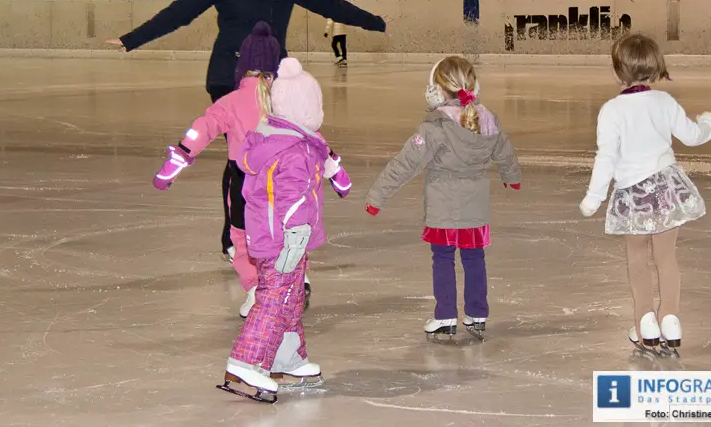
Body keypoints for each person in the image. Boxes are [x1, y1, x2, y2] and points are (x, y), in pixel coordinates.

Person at [106, 0, 386, 260]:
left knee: (275, 156)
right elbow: (181, 12)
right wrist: (132, 40)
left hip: (274, 84)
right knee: (242, 158)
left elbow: (329, 4)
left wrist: (375, 22)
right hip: (229, 79)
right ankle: (235, 233)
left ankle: (270, 225)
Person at [152, 24, 351, 318]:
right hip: (285, 181)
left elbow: (201, 128)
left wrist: (178, 158)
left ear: (241, 66)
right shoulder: (282, 100)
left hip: (245, 183)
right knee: (289, 232)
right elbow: (312, 136)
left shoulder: (230, 102)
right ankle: (298, 278)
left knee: (243, 238)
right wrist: (335, 170)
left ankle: (254, 289)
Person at [579, 34, 711, 354]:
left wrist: (594, 196)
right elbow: (693, 135)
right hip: (666, 189)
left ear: (617, 72)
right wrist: (710, 123)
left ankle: (645, 321)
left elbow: (606, 157)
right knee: (667, 258)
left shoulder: (611, 110)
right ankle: (670, 316)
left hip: (634, 196)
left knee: (637, 260)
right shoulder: (664, 102)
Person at [364, 56, 522, 341]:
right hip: (476, 210)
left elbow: (405, 163)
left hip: (443, 209)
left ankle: (445, 315)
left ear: (437, 89)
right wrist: (512, 177)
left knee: (443, 258)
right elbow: (505, 151)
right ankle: (477, 314)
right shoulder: (488, 120)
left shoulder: (434, 127)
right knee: (475, 258)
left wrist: (377, 195)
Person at [218, 57, 331, 403]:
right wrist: (296, 235)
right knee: (274, 299)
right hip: (285, 241)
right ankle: (247, 360)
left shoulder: (270, 139)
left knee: (290, 298)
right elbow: (292, 198)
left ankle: (287, 356)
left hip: (268, 237)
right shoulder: (295, 151)